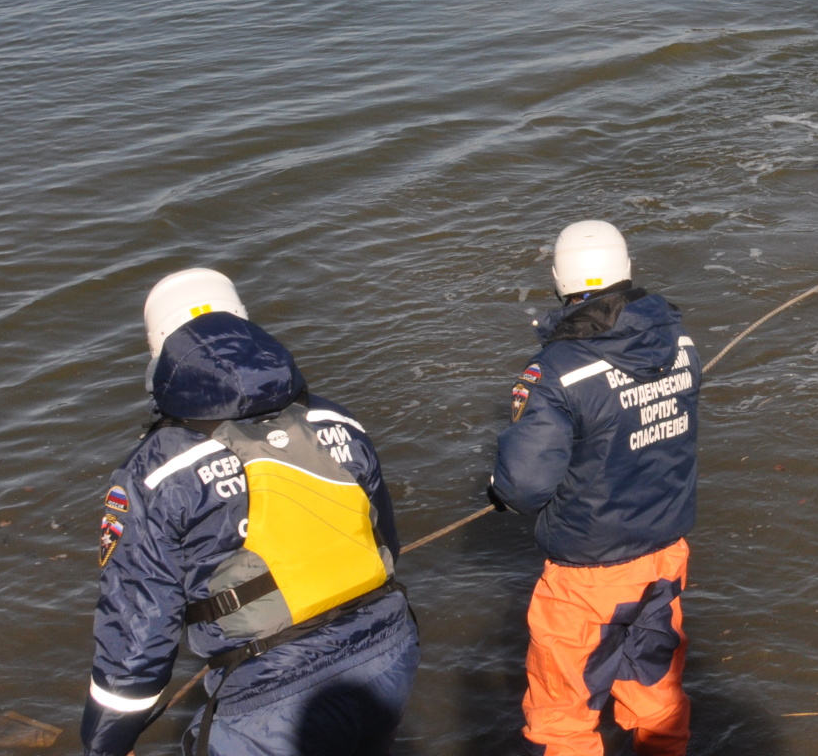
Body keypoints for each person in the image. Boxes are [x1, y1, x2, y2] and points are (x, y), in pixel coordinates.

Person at [80, 269, 418, 756]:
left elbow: (136, 635)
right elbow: (385, 539)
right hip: (389, 648)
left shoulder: (154, 472)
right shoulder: (334, 419)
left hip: (273, 693)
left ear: (161, 355)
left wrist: (106, 741)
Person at [491, 221, 702, 756]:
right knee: (657, 698)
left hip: (585, 574)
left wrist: (498, 488)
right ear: (626, 271)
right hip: (663, 557)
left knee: (561, 719)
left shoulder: (556, 371)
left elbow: (524, 487)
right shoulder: (680, 342)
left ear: (560, 282)